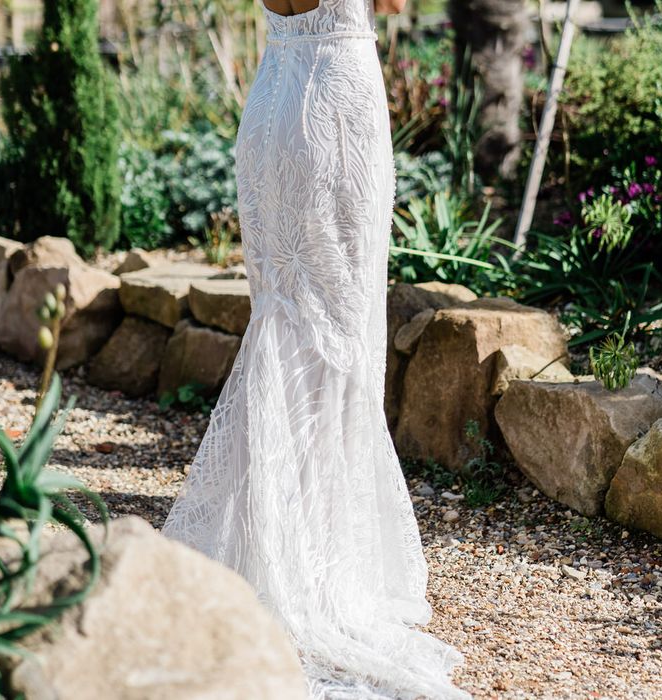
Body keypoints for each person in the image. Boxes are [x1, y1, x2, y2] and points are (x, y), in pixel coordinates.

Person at [162, 0, 471, 696]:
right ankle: (316, 561)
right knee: (336, 336)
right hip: (333, 100)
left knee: (285, 319)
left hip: (274, 95)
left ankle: (270, 535)